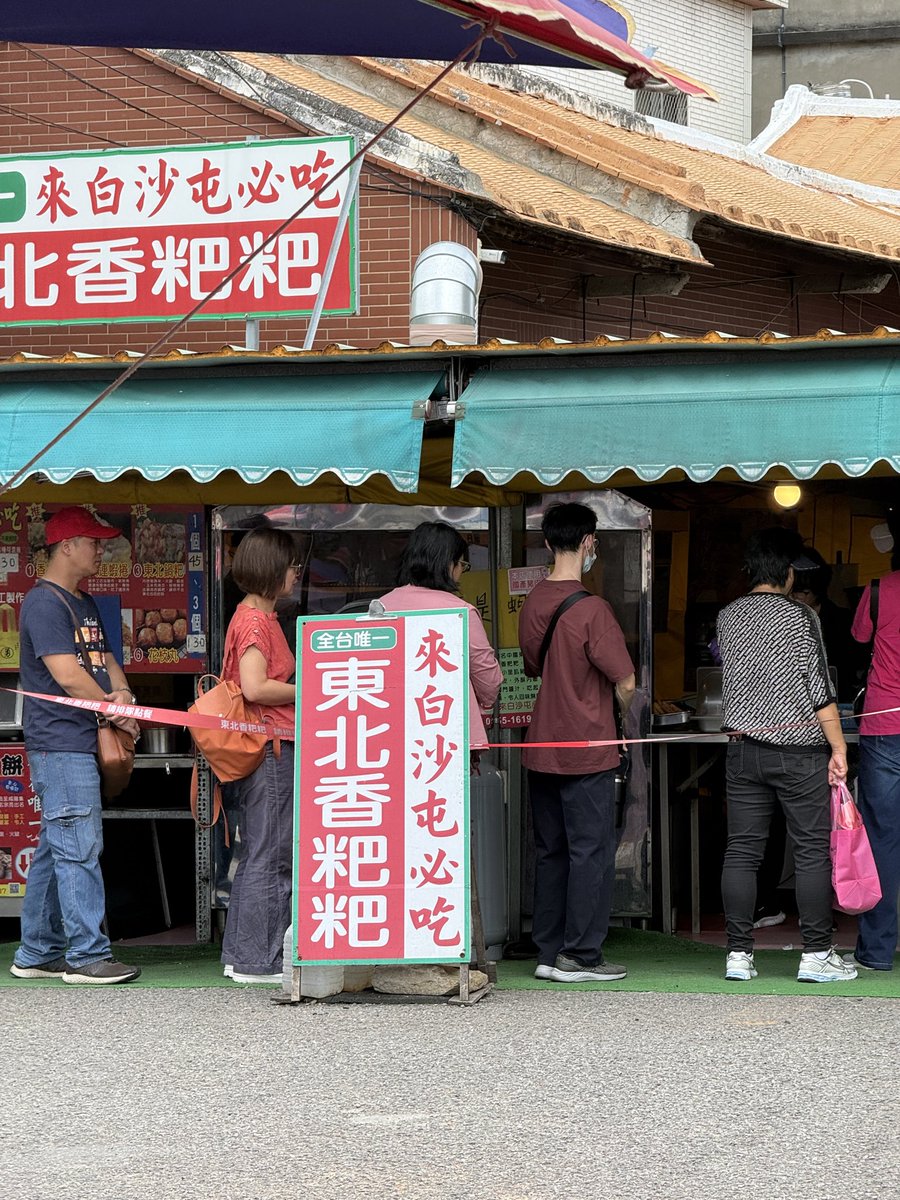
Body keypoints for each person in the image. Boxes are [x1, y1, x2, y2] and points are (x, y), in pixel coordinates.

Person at [716, 527, 857, 983]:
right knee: (812, 851)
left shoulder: (728, 617)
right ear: (789, 573)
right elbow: (820, 690)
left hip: (742, 751)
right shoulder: (801, 618)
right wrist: (839, 747)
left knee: (741, 852)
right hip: (800, 753)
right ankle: (816, 954)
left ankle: (738, 954)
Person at [10, 506, 142, 985]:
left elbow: (105, 659)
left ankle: (36, 952)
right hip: (61, 741)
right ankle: (87, 955)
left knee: (56, 845)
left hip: (78, 738)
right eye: (94, 541)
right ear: (66, 545)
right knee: (78, 846)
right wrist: (116, 709)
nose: (101, 549)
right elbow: (68, 676)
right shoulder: (44, 604)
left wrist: (122, 694)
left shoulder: (82, 602)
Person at [518, 502, 635, 985]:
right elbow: (625, 681)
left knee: (552, 851)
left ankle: (548, 951)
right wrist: (618, 716)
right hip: (588, 746)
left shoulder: (532, 603)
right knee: (591, 850)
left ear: (547, 544)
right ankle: (582, 954)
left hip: (540, 744)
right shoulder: (593, 609)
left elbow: (531, 666)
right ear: (590, 543)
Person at [221, 527, 298, 984]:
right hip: (270, 749)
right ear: (272, 569)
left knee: (262, 851)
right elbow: (254, 687)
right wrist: (311, 689)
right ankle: (258, 960)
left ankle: (243, 955)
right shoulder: (254, 621)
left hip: (270, 747)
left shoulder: (257, 617)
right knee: (271, 854)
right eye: (291, 566)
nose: (296, 574)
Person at [380, 522, 503, 754]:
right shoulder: (462, 612)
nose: (460, 573)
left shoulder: (382, 607)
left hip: (391, 731)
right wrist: (482, 705)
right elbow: (489, 680)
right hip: (449, 733)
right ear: (449, 564)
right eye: (461, 565)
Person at [847, 538, 900, 972]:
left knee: (882, 837)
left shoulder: (880, 590)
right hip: (883, 727)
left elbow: (858, 637)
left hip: (884, 727)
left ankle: (877, 952)